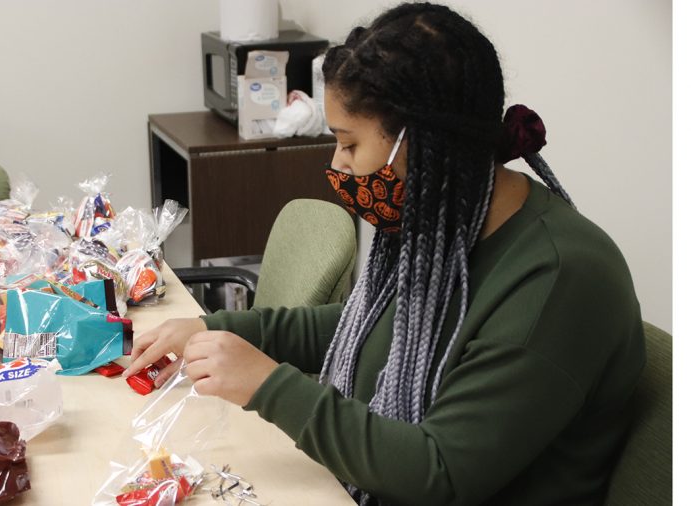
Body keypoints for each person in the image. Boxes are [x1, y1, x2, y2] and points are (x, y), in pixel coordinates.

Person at [123, 2, 646, 505]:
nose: (339, 165)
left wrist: (268, 385)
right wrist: (220, 331)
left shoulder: (558, 278)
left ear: (424, 145)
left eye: (349, 144)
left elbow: (440, 472)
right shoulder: (446, 224)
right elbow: (366, 324)